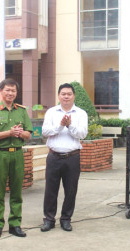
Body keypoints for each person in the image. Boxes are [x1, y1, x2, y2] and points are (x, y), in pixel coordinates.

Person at [0, 78, 33, 238]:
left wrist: (21, 133)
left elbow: (28, 134)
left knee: (16, 191)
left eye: (13, 91)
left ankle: (15, 224)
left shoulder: (22, 111)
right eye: (7, 90)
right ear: (1, 91)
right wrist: (9, 133)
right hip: (0, 153)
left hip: (17, 154)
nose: (10, 93)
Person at [40, 83, 88, 232]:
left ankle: (66, 219)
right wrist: (60, 126)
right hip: (54, 156)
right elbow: (45, 131)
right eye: (63, 94)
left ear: (74, 96)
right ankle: (49, 219)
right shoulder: (51, 112)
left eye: (69, 94)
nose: (66, 96)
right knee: (50, 190)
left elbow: (82, 134)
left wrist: (69, 125)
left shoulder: (81, 113)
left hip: (72, 157)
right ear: (59, 96)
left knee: (71, 190)